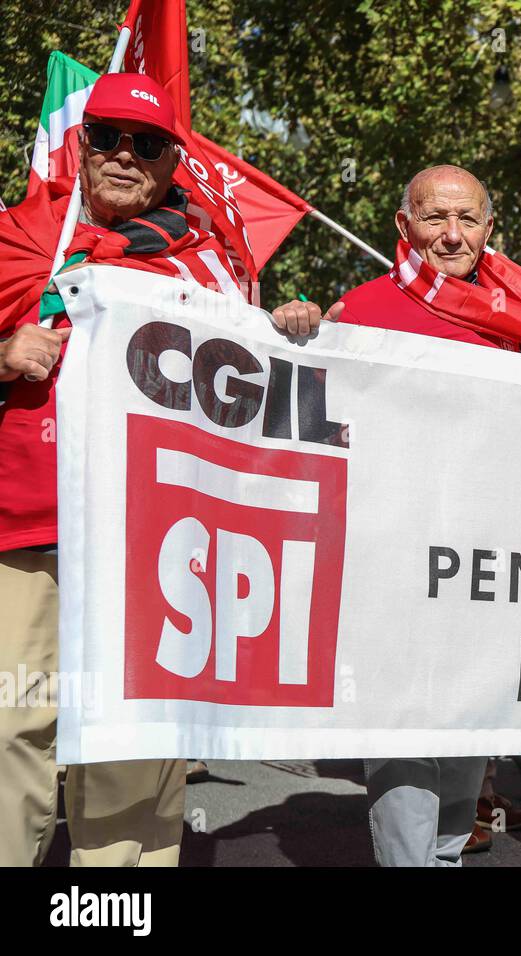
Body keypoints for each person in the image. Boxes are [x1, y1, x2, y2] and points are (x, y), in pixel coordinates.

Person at [0, 73, 308, 866]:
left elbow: (245, 388)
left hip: (154, 543)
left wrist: (287, 332)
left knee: (130, 740)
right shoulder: (17, 237)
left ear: (175, 160)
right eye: (108, 137)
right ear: (81, 143)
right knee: (13, 724)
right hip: (29, 529)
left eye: (148, 144)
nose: (125, 156)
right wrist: (4, 356)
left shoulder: (207, 268)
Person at [304, 164, 521, 866]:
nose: (451, 234)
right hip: (394, 557)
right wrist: (298, 332)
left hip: (489, 556)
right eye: (434, 217)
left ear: (489, 229)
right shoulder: (358, 311)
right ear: (402, 226)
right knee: (407, 728)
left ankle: (444, 854)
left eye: (467, 219)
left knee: (471, 721)